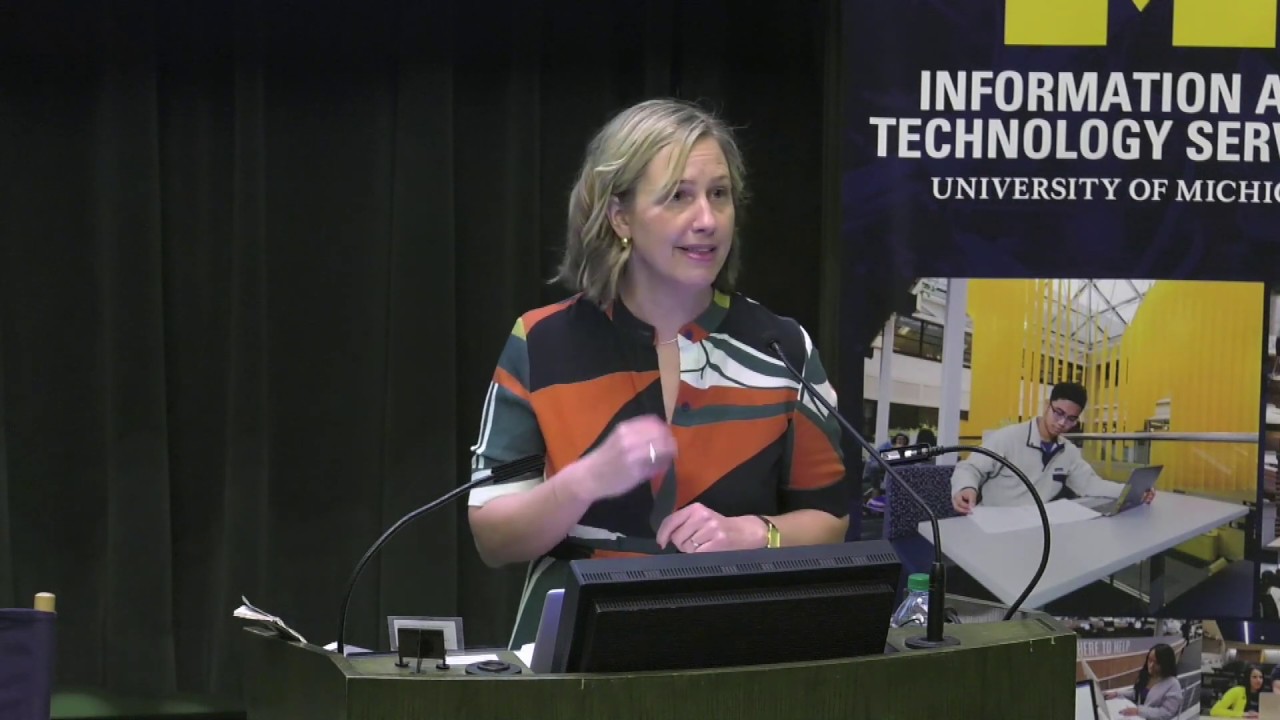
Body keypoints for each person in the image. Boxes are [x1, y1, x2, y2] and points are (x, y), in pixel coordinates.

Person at [465, 98, 851, 649]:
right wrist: (584, 481)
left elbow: (829, 519)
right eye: (678, 196)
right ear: (620, 216)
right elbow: (493, 538)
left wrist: (753, 533)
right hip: (575, 657)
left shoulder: (782, 348)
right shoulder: (542, 341)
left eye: (719, 194)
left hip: (737, 651)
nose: (707, 220)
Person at [950, 382, 1156, 514]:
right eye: (1058, 412)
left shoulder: (1068, 451)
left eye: (1071, 418)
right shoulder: (1008, 437)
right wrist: (966, 487)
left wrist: (1130, 491)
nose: (1062, 423)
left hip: (1036, 527)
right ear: (1047, 405)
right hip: (994, 522)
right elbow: (969, 468)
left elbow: (1090, 484)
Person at [1103, 643, 1182, 719]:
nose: (1151, 665)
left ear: (1166, 664)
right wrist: (1117, 693)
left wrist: (1139, 711)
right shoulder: (1147, 675)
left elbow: (1166, 712)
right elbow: (1136, 693)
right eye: (1150, 660)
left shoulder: (1173, 685)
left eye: (1157, 663)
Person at [863, 432, 909, 512]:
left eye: (903, 440)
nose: (901, 441)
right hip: (879, 467)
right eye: (899, 439)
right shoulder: (887, 446)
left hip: (892, 470)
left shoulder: (906, 450)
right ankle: (876, 499)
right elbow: (875, 457)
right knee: (876, 468)